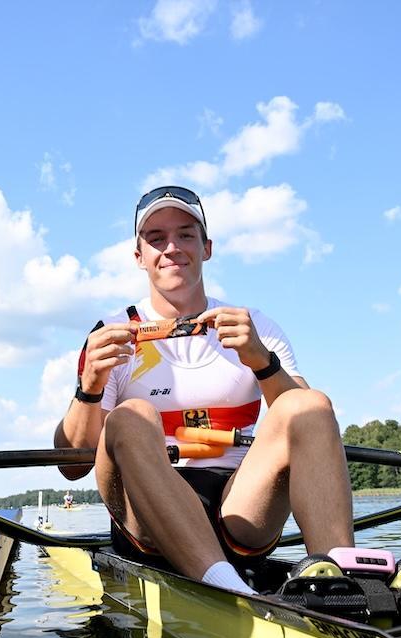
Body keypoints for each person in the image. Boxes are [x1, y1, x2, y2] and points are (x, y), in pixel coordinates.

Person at [54, 186, 354, 594]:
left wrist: (261, 361)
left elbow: (310, 422)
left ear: (207, 248)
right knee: (131, 416)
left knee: (312, 404)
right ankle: (225, 585)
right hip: (147, 513)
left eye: (185, 235)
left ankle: (342, 580)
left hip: (241, 508)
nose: (172, 247)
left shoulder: (254, 326)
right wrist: (89, 388)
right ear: (139, 256)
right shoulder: (111, 334)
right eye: (156, 238)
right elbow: (72, 466)